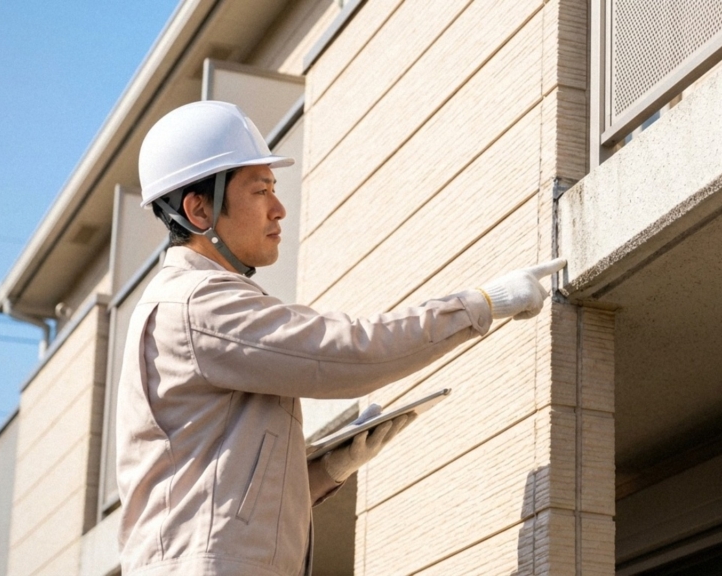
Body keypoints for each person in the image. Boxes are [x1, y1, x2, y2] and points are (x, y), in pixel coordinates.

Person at [116, 100, 566, 576]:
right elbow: (350, 351)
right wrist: (482, 303)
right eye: (261, 190)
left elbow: (220, 504)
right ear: (199, 209)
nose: (278, 208)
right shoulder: (197, 303)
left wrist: (327, 469)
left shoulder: (188, 304)